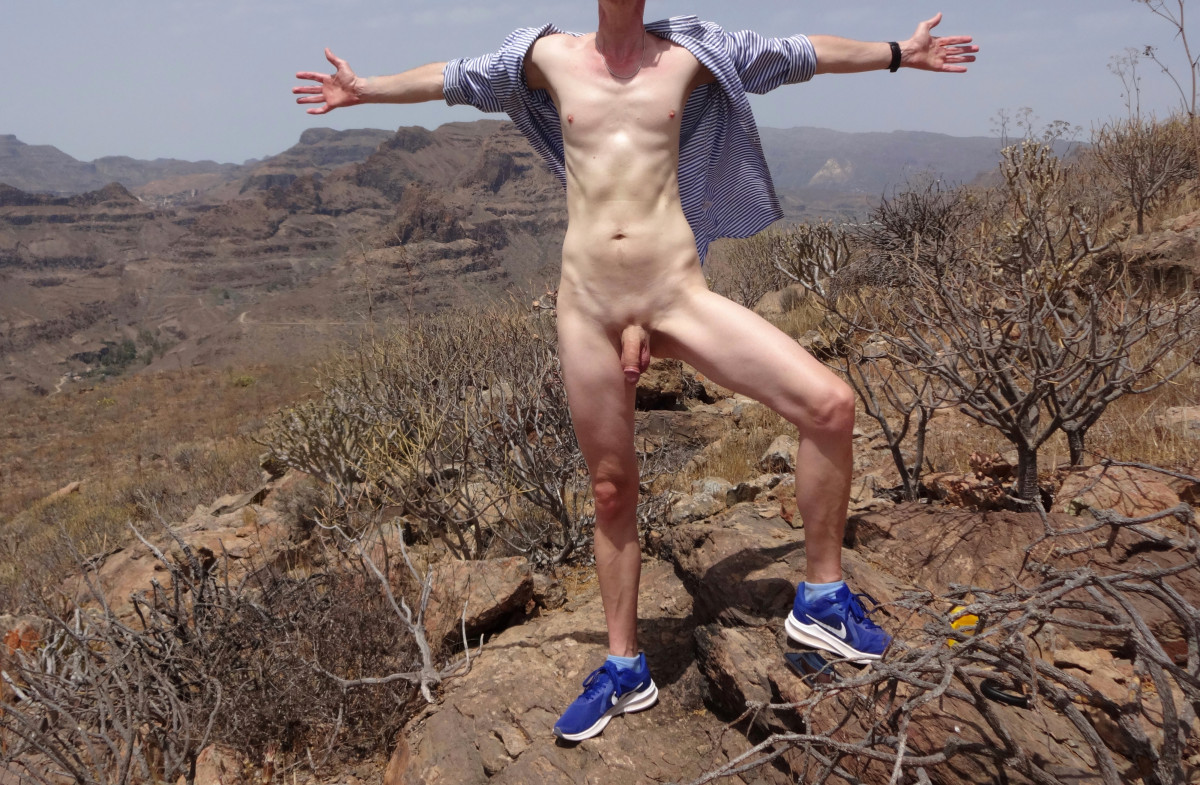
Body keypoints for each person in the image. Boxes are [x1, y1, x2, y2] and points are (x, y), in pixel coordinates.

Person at [294, 2, 976, 743]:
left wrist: (899, 52)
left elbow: (798, 54)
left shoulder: (692, 55)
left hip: (675, 294)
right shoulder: (546, 58)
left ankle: (821, 600)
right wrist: (365, 89)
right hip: (587, 306)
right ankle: (625, 667)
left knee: (830, 405)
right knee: (612, 489)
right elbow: (454, 78)